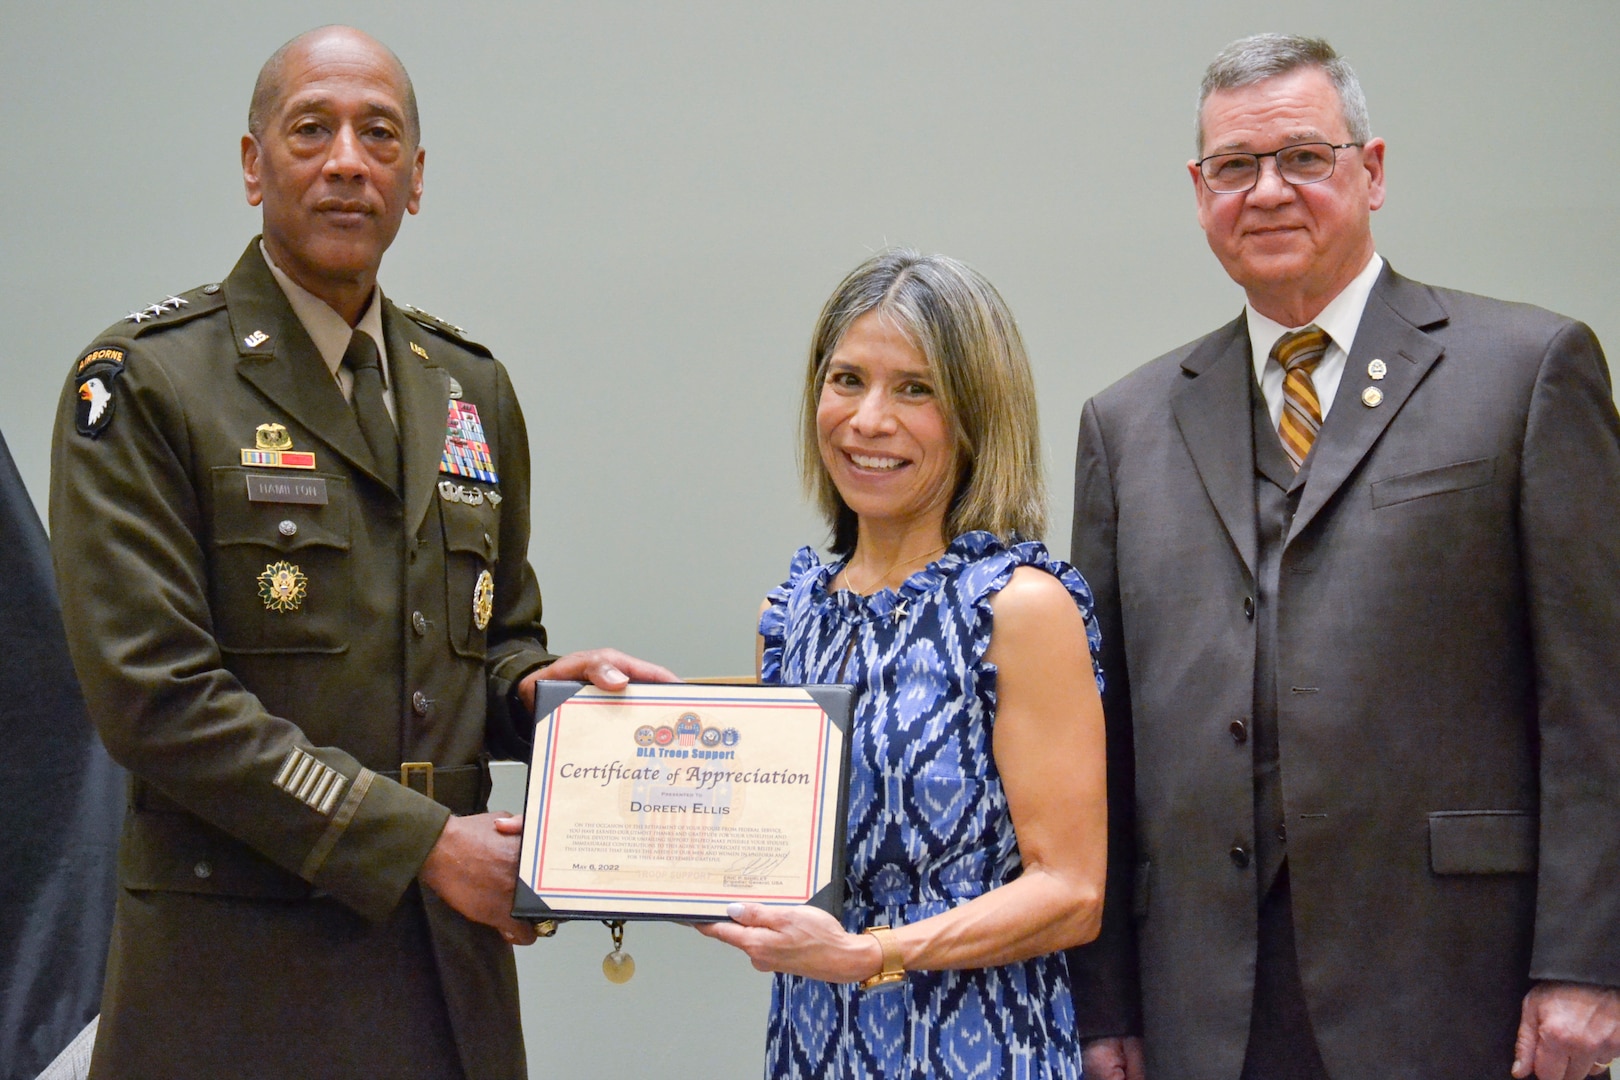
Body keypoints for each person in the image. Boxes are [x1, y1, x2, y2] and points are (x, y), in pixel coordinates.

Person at [48, 25, 672, 1080]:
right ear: (254, 164)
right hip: (238, 981)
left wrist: (538, 695)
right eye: (312, 129)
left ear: (414, 178)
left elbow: (492, 638)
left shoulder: (469, 387)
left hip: (444, 980)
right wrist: (424, 844)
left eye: (378, 134)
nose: (347, 159)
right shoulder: (148, 385)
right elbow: (155, 699)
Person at [1068, 33, 1620, 1080]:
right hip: (1205, 1003)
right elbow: (1107, 747)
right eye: (1235, 166)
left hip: (1461, 985)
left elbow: (1597, 700)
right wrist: (1106, 1006)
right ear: (1199, 192)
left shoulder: (1528, 372)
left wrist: (1591, 963)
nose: (1267, 190)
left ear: (1370, 170)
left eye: (1303, 158)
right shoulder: (1126, 425)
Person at [699, 250, 1108, 1078]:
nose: (868, 420)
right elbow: (768, 851)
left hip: (982, 1050)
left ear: (974, 415)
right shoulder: (789, 617)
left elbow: (1070, 893)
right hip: (815, 1044)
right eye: (847, 380)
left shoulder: (1019, 609)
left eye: (914, 389)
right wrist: (630, 745)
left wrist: (871, 953)